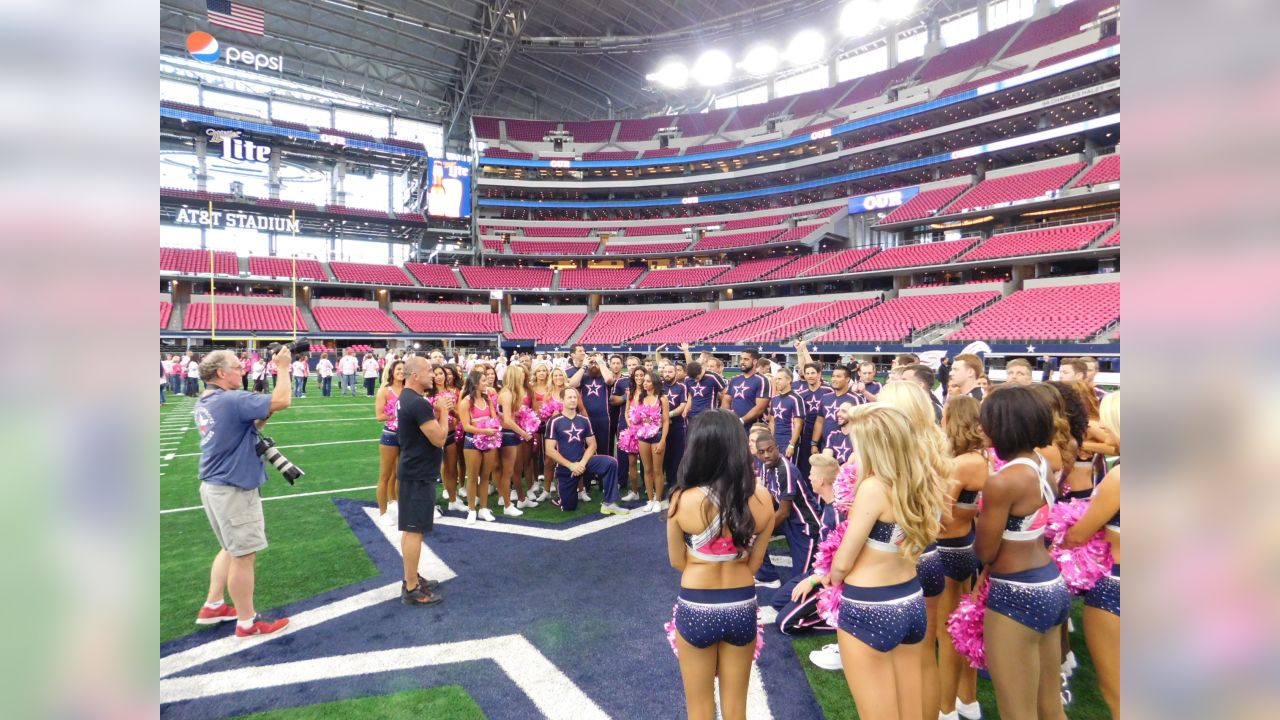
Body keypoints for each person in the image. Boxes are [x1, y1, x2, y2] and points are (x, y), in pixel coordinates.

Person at [816, 404, 944, 720]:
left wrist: (829, 576)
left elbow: (844, 560)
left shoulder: (874, 487)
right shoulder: (924, 478)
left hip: (869, 606)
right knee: (909, 707)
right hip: (911, 599)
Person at [666, 409, 775, 720]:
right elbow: (754, 565)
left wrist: (705, 559)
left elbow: (677, 562)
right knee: (736, 708)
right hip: (741, 605)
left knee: (699, 707)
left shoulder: (682, 500)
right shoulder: (763, 498)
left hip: (697, 604)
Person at [976, 386, 1071, 720]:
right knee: (1050, 706)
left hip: (1016, 593)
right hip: (1051, 584)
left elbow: (985, 550)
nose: (981, 428)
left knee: (1018, 711)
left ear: (1005, 426)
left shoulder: (1004, 481)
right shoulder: (1040, 462)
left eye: (986, 421)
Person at [192, 347, 293, 636]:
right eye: (237, 367)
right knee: (244, 555)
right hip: (233, 488)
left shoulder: (208, 399)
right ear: (222, 373)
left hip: (215, 485)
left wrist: (264, 411)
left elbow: (244, 427)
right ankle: (247, 622)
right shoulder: (230, 400)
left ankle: (213, 605)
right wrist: (283, 367)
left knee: (230, 548)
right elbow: (283, 399)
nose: (243, 371)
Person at [874, 381, 954, 720]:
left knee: (886, 661)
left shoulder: (890, 458)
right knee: (924, 655)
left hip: (895, 563)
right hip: (931, 554)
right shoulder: (936, 449)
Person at [1063, 391, 1120, 719]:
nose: (1105, 433)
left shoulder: (1121, 477)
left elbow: (1079, 533)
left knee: (1118, 694)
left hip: (1116, 587)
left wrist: (1064, 534)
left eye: (1110, 427)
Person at [937, 395, 989, 720]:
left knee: (947, 633)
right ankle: (968, 700)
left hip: (947, 549)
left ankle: (945, 709)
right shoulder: (981, 458)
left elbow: (939, 516)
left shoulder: (961, 464)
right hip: (966, 546)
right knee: (963, 626)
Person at [395, 357, 451, 606]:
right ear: (415, 375)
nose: (434, 375)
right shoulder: (417, 403)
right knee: (414, 530)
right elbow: (439, 439)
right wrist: (445, 411)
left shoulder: (407, 398)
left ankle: (411, 577)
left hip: (413, 470)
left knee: (410, 529)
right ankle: (411, 587)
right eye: (429, 371)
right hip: (418, 473)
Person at [778, 452, 843, 636]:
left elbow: (843, 556)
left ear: (822, 480)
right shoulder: (829, 505)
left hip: (830, 578)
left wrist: (813, 580)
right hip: (819, 570)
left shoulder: (839, 512)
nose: (808, 477)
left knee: (785, 624)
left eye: (812, 474)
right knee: (778, 601)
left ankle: (837, 619)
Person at [545, 387, 628, 515]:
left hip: (584, 463)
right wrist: (571, 465)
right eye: (569, 397)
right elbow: (549, 450)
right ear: (562, 400)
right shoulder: (554, 421)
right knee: (569, 507)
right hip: (566, 468)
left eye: (575, 397)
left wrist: (582, 464)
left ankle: (609, 503)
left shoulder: (584, 420)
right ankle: (562, 496)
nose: (573, 400)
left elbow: (592, 445)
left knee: (610, 462)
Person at [754, 433, 822, 587]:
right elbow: (770, 496)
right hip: (788, 521)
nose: (766, 455)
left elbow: (784, 511)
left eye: (770, 450)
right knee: (755, 528)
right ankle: (767, 575)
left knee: (800, 579)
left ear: (777, 449)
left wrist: (763, 529)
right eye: (762, 452)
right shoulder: (765, 466)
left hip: (804, 525)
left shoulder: (785, 470)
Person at [458, 368, 501, 525]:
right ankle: (471, 509)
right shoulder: (465, 402)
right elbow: (466, 427)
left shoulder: (488, 399)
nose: (487, 382)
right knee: (472, 477)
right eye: (483, 380)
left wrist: (492, 428)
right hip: (472, 442)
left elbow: (494, 418)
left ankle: (483, 508)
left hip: (488, 441)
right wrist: (484, 430)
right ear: (476, 383)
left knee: (485, 476)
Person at [497, 364, 538, 516]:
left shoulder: (511, 393)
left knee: (516, 468)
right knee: (508, 472)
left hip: (512, 434)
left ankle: (521, 498)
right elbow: (507, 420)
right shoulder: (507, 393)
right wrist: (524, 433)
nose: (523, 377)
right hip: (508, 434)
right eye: (520, 375)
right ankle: (507, 505)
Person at [635, 370, 671, 513]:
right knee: (647, 469)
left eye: (648, 381)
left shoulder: (662, 399)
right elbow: (637, 417)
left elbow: (666, 421)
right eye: (644, 381)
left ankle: (658, 500)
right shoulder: (640, 398)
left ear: (655, 383)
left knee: (657, 470)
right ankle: (650, 499)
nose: (645, 383)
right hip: (643, 436)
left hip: (657, 435)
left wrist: (663, 440)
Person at [374, 359, 405, 525]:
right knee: (385, 475)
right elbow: (379, 416)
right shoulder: (385, 391)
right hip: (391, 435)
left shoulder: (409, 390)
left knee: (401, 473)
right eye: (398, 369)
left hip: (407, 436)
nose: (401, 372)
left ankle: (396, 502)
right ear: (392, 371)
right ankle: (383, 512)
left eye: (403, 369)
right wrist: (396, 415)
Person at [660, 361, 689, 505]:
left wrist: (668, 415)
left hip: (677, 426)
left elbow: (683, 405)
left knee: (676, 457)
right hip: (660, 426)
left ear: (676, 373)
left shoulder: (682, 387)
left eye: (670, 372)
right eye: (665, 372)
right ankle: (662, 483)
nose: (667, 374)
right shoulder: (659, 385)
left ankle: (674, 485)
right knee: (663, 456)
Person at [723, 350, 770, 426]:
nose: (742, 362)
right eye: (741, 359)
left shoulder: (762, 380)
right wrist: (728, 417)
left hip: (752, 428)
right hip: (732, 426)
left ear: (754, 361)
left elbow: (760, 407)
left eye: (746, 359)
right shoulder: (734, 379)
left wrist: (742, 420)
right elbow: (726, 400)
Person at [767, 368, 805, 464]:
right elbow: (772, 421)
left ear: (789, 380)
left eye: (780, 379)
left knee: (788, 469)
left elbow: (799, 424)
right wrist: (771, 440)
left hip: (788, 440)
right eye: (776, 379)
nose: (777, 381)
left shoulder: (796, 399)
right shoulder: (774, 399)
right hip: (775, 440)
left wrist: (792, 445)